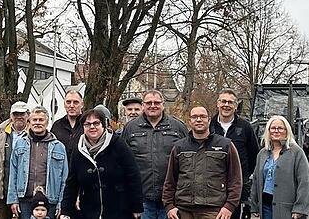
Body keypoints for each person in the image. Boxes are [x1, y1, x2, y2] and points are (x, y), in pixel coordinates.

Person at [61, 108, 143, 219]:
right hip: (89, 209)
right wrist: (65, 210)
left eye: (96, 123)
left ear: (103, 125)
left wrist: (136, 206)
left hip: (118, 208)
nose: (92, 127)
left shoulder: (118, 144)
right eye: (87, 124)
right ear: (83, 127)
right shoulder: (79, 149)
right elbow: (72, 182)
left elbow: (133, 175)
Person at [163, 106, 242, 219]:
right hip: (183, 210)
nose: (199, 120)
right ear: (189, 121)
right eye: (194, 117)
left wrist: (229, 206)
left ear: (209, 120)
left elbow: (236, 180)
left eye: (203, 116)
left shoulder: (225, 145)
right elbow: (170, 179)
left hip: (214, 210)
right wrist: (169, 206)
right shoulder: (179, 147)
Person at [121, 89, 188, 219]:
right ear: (143, 105)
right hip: (142, 197)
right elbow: (123, 162)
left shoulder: (178, 127)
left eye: (156, 102)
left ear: (163, 104)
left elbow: (187, 160)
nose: (153, 105)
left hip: (171, 198)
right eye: (149, 102)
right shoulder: (131, 128)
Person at [7, 106, 68, 219]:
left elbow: (64, 178)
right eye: (34, 120)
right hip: (25, 199)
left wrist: (61, 202)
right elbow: (13, 173)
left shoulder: (59, 147)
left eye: (41, 120)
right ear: (29, 122)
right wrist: (13, 199)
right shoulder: (20, 144)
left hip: (50, 201)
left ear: (47, 122)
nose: (37, 123)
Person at [249, 116, 309, 219]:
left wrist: (299, 208)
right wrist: (254, 206)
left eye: (280, 128)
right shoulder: (262, 154)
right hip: (265, 207)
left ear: (287, 131)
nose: (276, 131)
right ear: (268, 131)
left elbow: (304, 182)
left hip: (287, 209)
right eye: (273, 128)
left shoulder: (296, 153)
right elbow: (256, 181)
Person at [210, 88, 259, 219]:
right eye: (223, 101)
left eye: (230, 102)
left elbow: (254, 154)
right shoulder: (209, 126)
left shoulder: (245, 127)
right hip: (212, 185)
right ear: (218, 103)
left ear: (235, 106)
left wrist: (244, 176)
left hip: (235, 187)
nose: (226, 105)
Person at [0, 101, 30, 219]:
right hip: (3, 190)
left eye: (22, 114)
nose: (19, 117)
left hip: (25, 192)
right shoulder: (0, 132)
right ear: (10, 115)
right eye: (16, 114)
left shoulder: (34, 133)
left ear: (28, 115)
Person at [51, 90, 84, 159]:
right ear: (64, 104)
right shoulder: (57, 126)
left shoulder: (88, 125)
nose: (71, 106)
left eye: (75, 102)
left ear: (82, 104)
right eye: (68, 102)